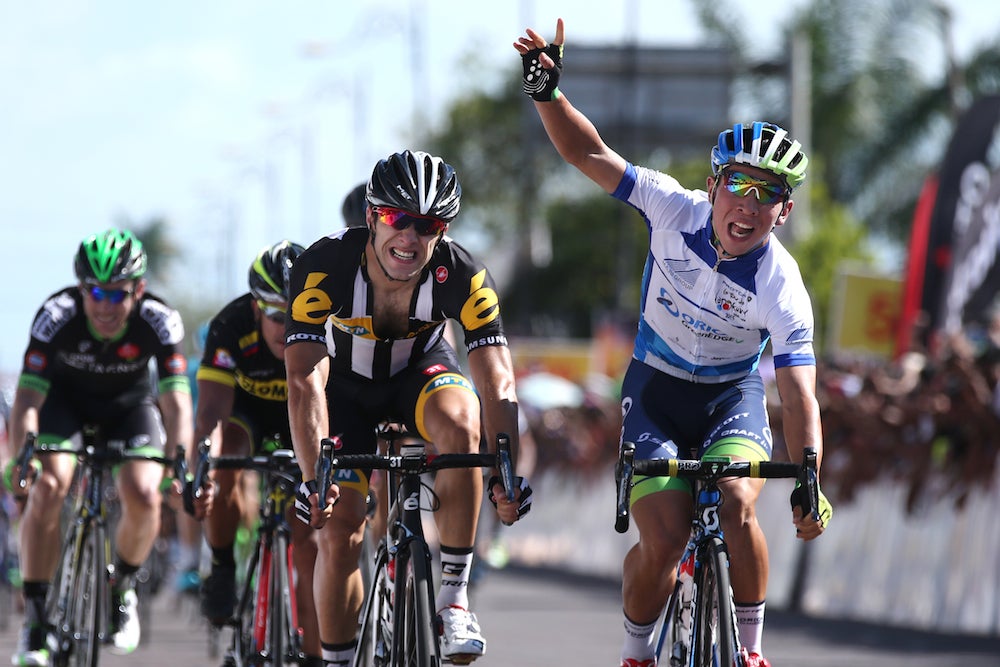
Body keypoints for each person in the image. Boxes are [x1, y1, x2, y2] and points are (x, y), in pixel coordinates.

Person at [514, 20, 833, 667]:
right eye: (738, 184)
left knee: (739, 505)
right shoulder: (669, 208)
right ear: (712, 185)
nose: (749, 205)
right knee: (662, 538)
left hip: (730, 397)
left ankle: (750, 651)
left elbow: (800, 394)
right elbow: (589, 155)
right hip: (655, 390)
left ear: (785, 210)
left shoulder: (782, 284)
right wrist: (548, 95)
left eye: (768, 193)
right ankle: (636, 652)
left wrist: (809, 477)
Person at [286, 149, 532, 666]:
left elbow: (497, 379)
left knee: (462, 421)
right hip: (344, 390)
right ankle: (337, 659)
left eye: (428, 225)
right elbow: (304, 379)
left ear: (443, 231)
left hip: (419, 376)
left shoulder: (464, 275)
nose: (410, 237)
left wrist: (503, 471)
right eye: (398, 218)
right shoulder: (323, 266)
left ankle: (454, 599)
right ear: (372, 216)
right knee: (340, 533)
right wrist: (313, 477)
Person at [2, 228, 193, 665]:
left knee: (145, 493)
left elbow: (177, 403)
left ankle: (121, 586)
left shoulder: (160, 320)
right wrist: (21, 457)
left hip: (129, 408)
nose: (105, 306)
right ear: (80, 288)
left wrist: (178, 463)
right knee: (49, 486)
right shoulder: (56, 315)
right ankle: (36, 621)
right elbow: (27, 399)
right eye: (95, 293)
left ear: (138, 290)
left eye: (117, 295)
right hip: (63, 407)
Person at [188, 240, 324, 666]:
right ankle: (222, 565)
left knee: (309, 539)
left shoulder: (330, 325)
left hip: (303, 417)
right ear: (255, 309)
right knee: (226, 457)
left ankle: (316, 654)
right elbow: (210, 414)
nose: (288, 329)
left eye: (297, 317)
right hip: (246, 415)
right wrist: (201, 473)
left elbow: (337, 410)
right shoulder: (229, 326)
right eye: (277, 317)